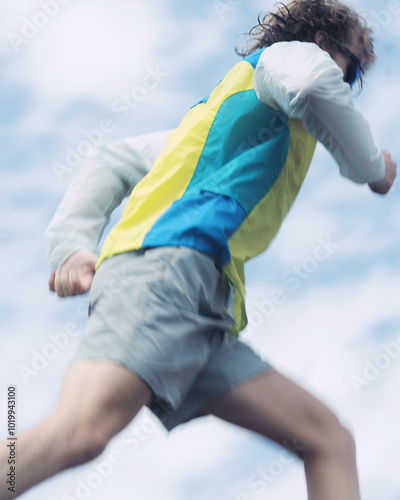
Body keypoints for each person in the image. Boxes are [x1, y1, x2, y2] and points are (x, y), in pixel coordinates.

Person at [1, 1, 397, 499]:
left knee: (327, 439)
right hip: (166, 274)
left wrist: (73, 247)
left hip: (207, 314)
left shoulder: (213, 127)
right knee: (80, 431)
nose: (348, 83)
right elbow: (311, 84)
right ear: (320, 42)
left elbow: (113, 160)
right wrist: (372, 169)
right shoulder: (291, 60)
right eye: (353, 67)